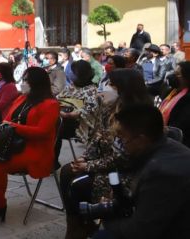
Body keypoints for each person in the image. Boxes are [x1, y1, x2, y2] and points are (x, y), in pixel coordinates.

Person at [61, 69, 152, 239]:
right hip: (103, 160)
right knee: (67, 171)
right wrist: (85, 157)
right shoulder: (108, 108)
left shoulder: (136, 115)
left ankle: (83, 224)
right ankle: (77, 224)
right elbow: (97, 137)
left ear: (124, 88)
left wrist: (89, 165)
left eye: (111, 84)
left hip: (124, 171)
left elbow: (123, 157)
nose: (105, 87)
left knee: (77, 185)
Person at [0, 67, 60, 226]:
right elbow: (7, 119)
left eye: (26, 80)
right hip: (12, 144)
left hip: (34, 149)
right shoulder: (22, 98)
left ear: (36, 83)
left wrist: (15, 127)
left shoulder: (50, 104)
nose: (23, 83)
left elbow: (42, 132)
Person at [94, 105, 190, 239]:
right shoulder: (167, 146)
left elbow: (139, 232)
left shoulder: (161, 172)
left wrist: (105, 214)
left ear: (141, 139)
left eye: (122, 138)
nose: (121, 144)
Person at [159, 61, 190, 147]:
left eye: (178, 74)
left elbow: (181, 124)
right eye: (174, 73)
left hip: (178, 143)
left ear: (187, 78)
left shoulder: (187, 99)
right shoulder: (171, 92)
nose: (173, 77)